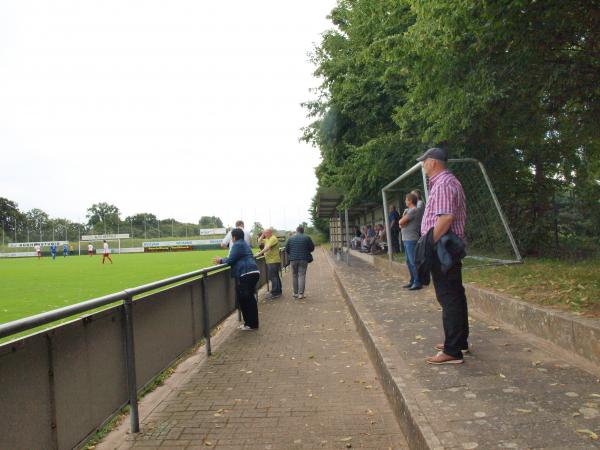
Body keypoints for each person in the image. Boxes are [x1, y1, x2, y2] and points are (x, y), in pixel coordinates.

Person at [417, 147, 468, 365]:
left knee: (449, 297)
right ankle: (458, 341)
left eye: (424, 161)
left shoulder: (444, 184)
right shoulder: (445, 182)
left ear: (433, 162)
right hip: (444, 247)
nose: (422, 164)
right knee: (455, 295)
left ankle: (453, 350)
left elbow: (446, 218)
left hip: (443, 248)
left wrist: (428, 244)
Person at [213, 228, 260, 330]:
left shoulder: (237, 244)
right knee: (249, 299)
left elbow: (230, 260)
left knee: (246, 299)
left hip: (246, 273)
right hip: (252, 272)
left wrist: (220, 260)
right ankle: (251, 323)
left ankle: (251, 324)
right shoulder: (243, 244)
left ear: (233, 237)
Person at [400, 193, 423, 290]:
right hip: (406, 239)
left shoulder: (414, 210)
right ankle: (412, 280)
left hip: (411, 239)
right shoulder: (408, 210)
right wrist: (402, 221)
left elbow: (400, 222)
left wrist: (402, 222)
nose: (405, 201)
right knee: (408, 262)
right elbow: (401, 223)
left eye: (406, 199)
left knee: (413, 261)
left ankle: (417, 282)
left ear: (410, 201)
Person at [285, 226, 315, 299]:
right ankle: (301, 294)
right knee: (302, 275)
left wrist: (292, 254)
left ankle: (295, 293)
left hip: (293, 259)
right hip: (304, 259)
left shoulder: (290, 238)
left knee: (294, 275)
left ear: (296, 230)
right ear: (303, 231)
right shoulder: (307, 238)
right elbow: (312, 248)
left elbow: (287, 249)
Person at [255, 228, 282, 299]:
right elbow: (259, 241)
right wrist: (263, 234)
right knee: (275, 276)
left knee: (273, 276)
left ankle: (275, 293)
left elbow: (267, 247)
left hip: (273, 261)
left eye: (266, 233)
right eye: (264, 233)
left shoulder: (273, 238)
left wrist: (260, 253)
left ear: (270, 233)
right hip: (270, 261)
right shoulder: (267, 239)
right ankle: (278, 291)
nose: (265, 235)